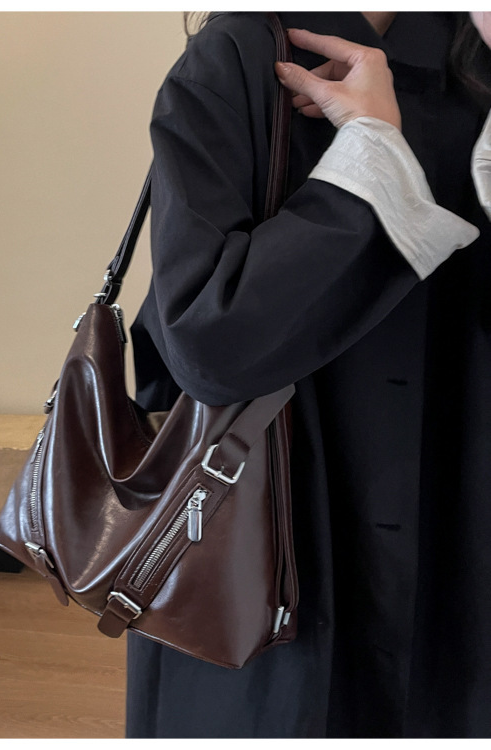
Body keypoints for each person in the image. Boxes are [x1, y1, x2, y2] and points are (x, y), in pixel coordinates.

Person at [127, 11, 491, 738]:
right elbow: (211, 345)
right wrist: (369, 157)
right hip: (272, 530)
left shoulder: (476, 56)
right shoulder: (239, 57)